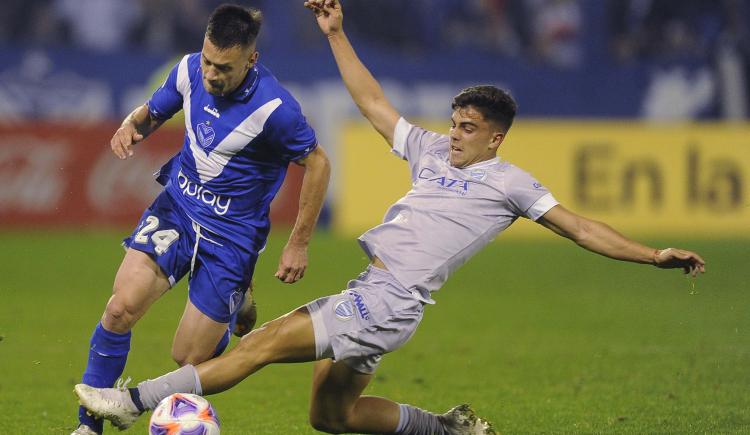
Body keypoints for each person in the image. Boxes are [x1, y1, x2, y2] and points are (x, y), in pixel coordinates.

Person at [74, 1, 706, 434]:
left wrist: (653, 255)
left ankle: (130, 402)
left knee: (262, 345)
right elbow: (373, 103)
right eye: (455, 123)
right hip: (376, 295)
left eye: (469, 129)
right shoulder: (431, 151)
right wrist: (335, 32)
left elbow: (580, 227)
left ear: (496, 139)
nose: (455, 134)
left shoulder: (511, 184)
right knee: (331, 419)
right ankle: (446, 427)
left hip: (388, 301)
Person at [72, 4, 331, 435]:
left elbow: (319, 164)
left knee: (188, 360)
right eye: (208, 61)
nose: (211, 74)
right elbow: (155, 111)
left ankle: (229, 312)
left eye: (224, 67)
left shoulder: (276, 109)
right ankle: (88, 427)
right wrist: (132, 125)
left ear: (251, 59)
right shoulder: (189, 70)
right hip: (178, 208)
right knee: (119, 310)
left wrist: (299, 241)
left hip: (231, 237)